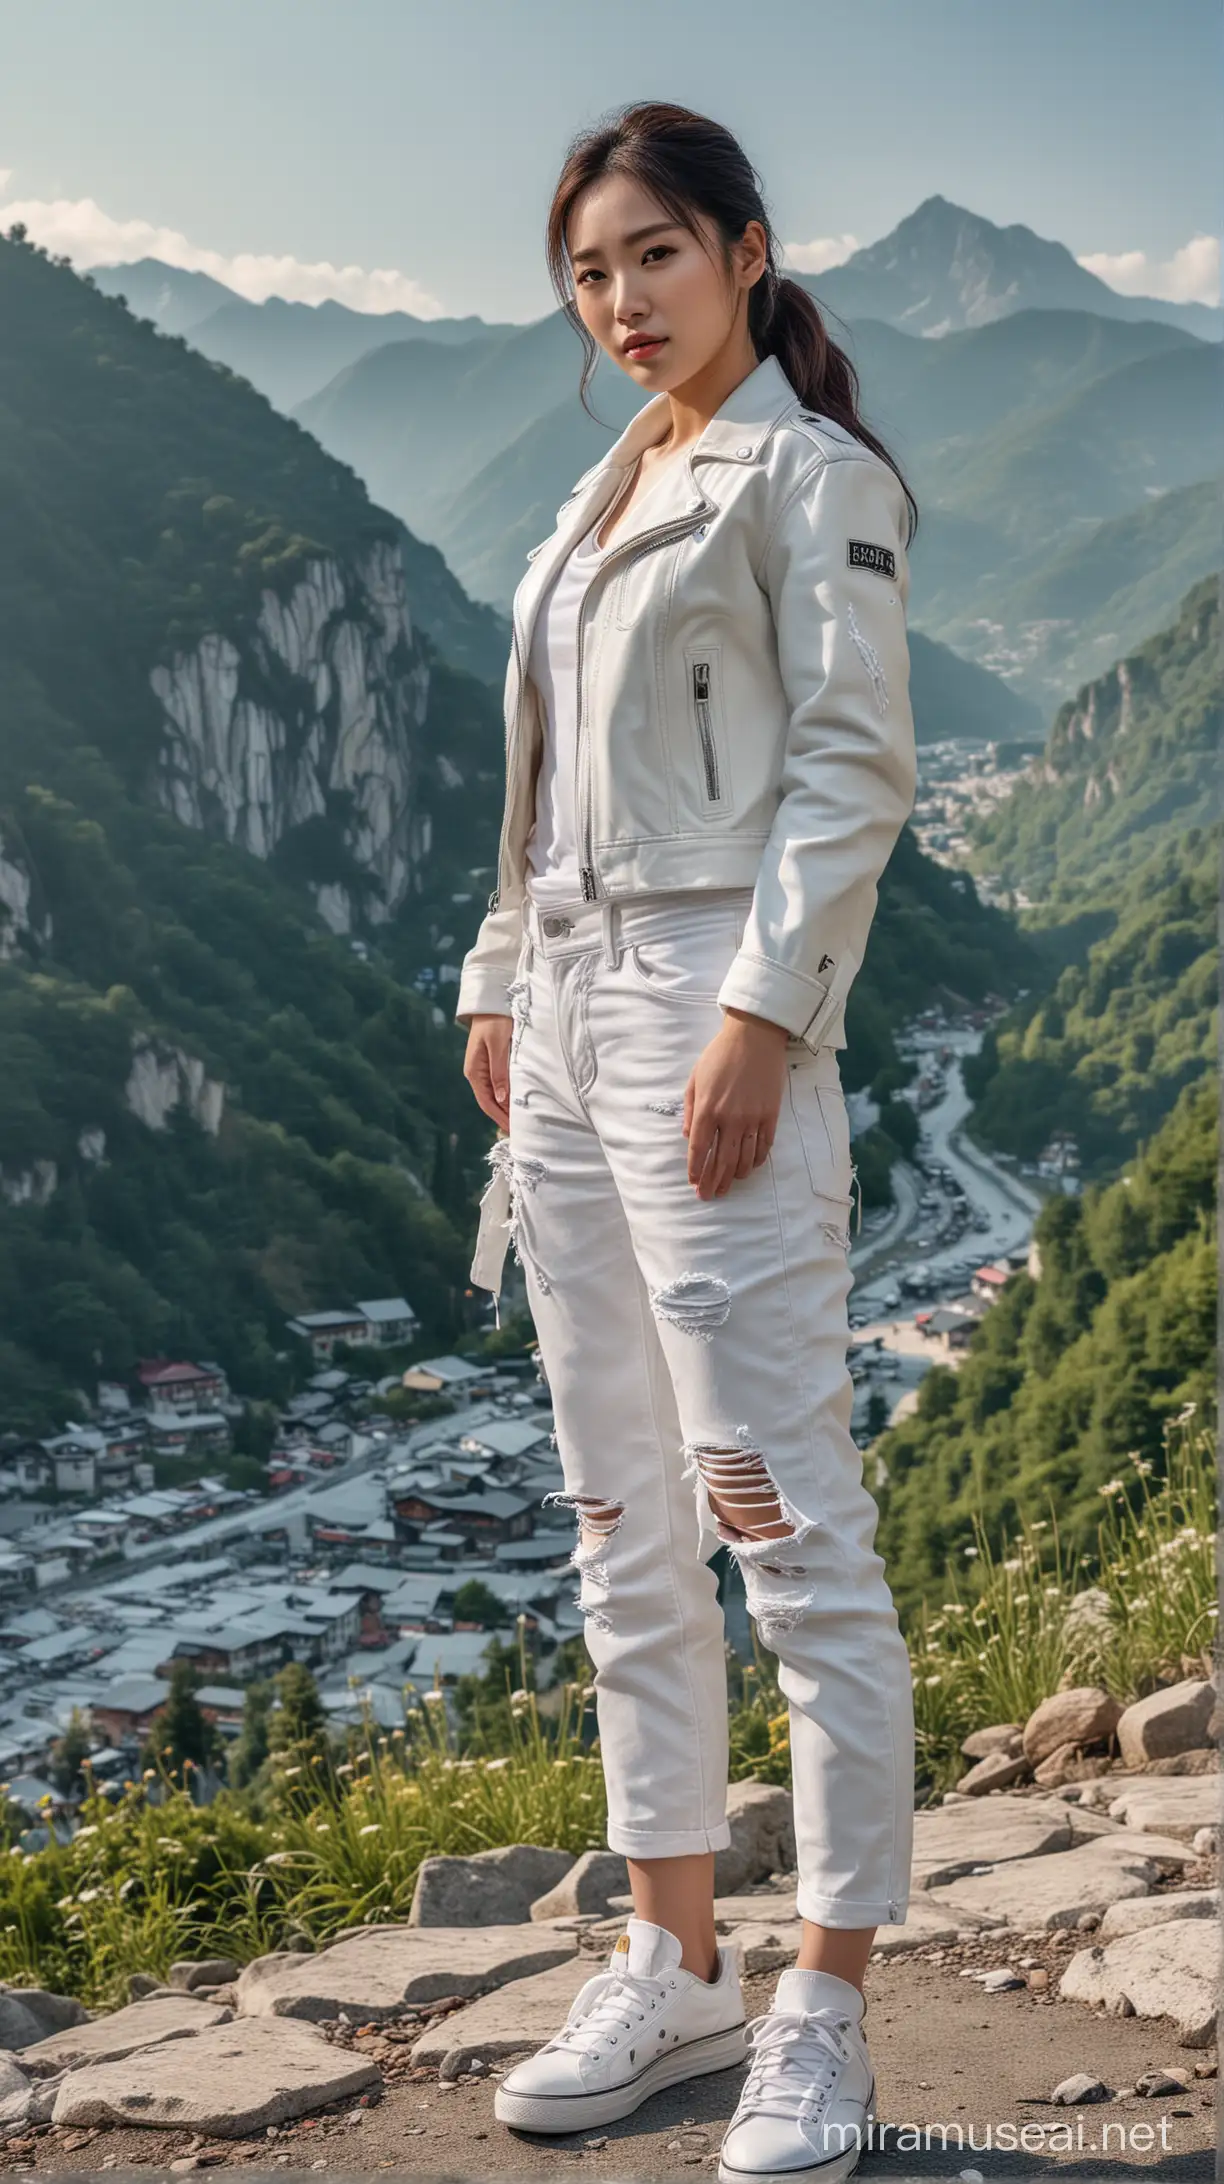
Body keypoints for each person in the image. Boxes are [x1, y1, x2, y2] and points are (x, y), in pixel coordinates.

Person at [456, 98, 918, 2184]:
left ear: (742, 249)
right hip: (560, 1018)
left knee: (775, 1513)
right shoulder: (598, 490)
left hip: (704, 1010)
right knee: (622, 1517)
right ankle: (675, 1960)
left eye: (653, 253)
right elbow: (547, 776)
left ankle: (823, 1997)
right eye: (588, 271)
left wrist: (761, 1018)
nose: (620, 299)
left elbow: (852, 768)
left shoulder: (811, 480)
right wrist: (490, 971)